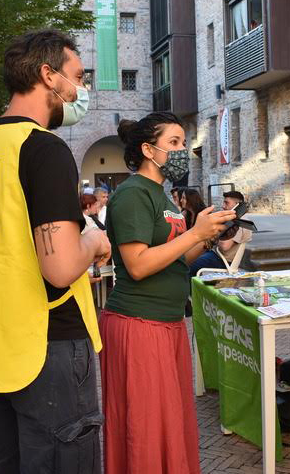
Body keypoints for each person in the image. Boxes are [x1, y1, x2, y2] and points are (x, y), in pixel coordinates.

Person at [0, 29, 110, 474]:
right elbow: (58, 268)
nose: (80, 89)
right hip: (45, 346)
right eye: (76, 76)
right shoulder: (42, 149)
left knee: (6, 463)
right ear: (47, 75)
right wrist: (92, 240)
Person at [101, 112, 235, 474]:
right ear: (148, 149)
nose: (181, 151)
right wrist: (193, 234)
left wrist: (208, 234)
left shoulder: (160, 195)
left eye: (182, 143)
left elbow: (175, 259)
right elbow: (139, 264)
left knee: (168, 422)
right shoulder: (131, 195)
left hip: (167, 322)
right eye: (173, 143)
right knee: (144, 428)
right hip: (139, 323)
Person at [189, 190, 251, 276]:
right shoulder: (232, 218)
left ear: (237, 205)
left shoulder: (241, 221)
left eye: (226, 203)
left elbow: (225, 246)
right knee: (186, 259)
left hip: (222, 259)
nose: (223, 206)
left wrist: (213, 235)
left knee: (188, 265)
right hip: (215, 254)